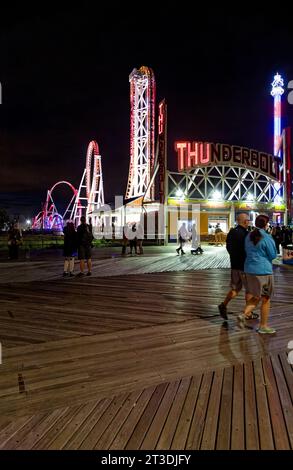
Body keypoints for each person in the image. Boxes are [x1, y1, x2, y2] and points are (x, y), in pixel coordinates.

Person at [238, 214, 277, 334]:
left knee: (256, 296)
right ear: (266, 224)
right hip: (263, 271)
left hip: (249, 269)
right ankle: (263, 326)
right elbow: (273, 255)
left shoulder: (248, 235)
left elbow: (246, 250)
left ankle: (244, 314)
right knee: (266, 298)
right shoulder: (267, 237)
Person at [218, 213, 251, 320]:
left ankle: (224, 304)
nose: (249, 222)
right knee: (249, 290)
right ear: (245, 222)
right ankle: (248, 313)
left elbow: (228, 247)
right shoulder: (247, 235)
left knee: (235, 289)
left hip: (234, 265)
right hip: (245, 266)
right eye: (248, 221)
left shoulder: (232, 232)